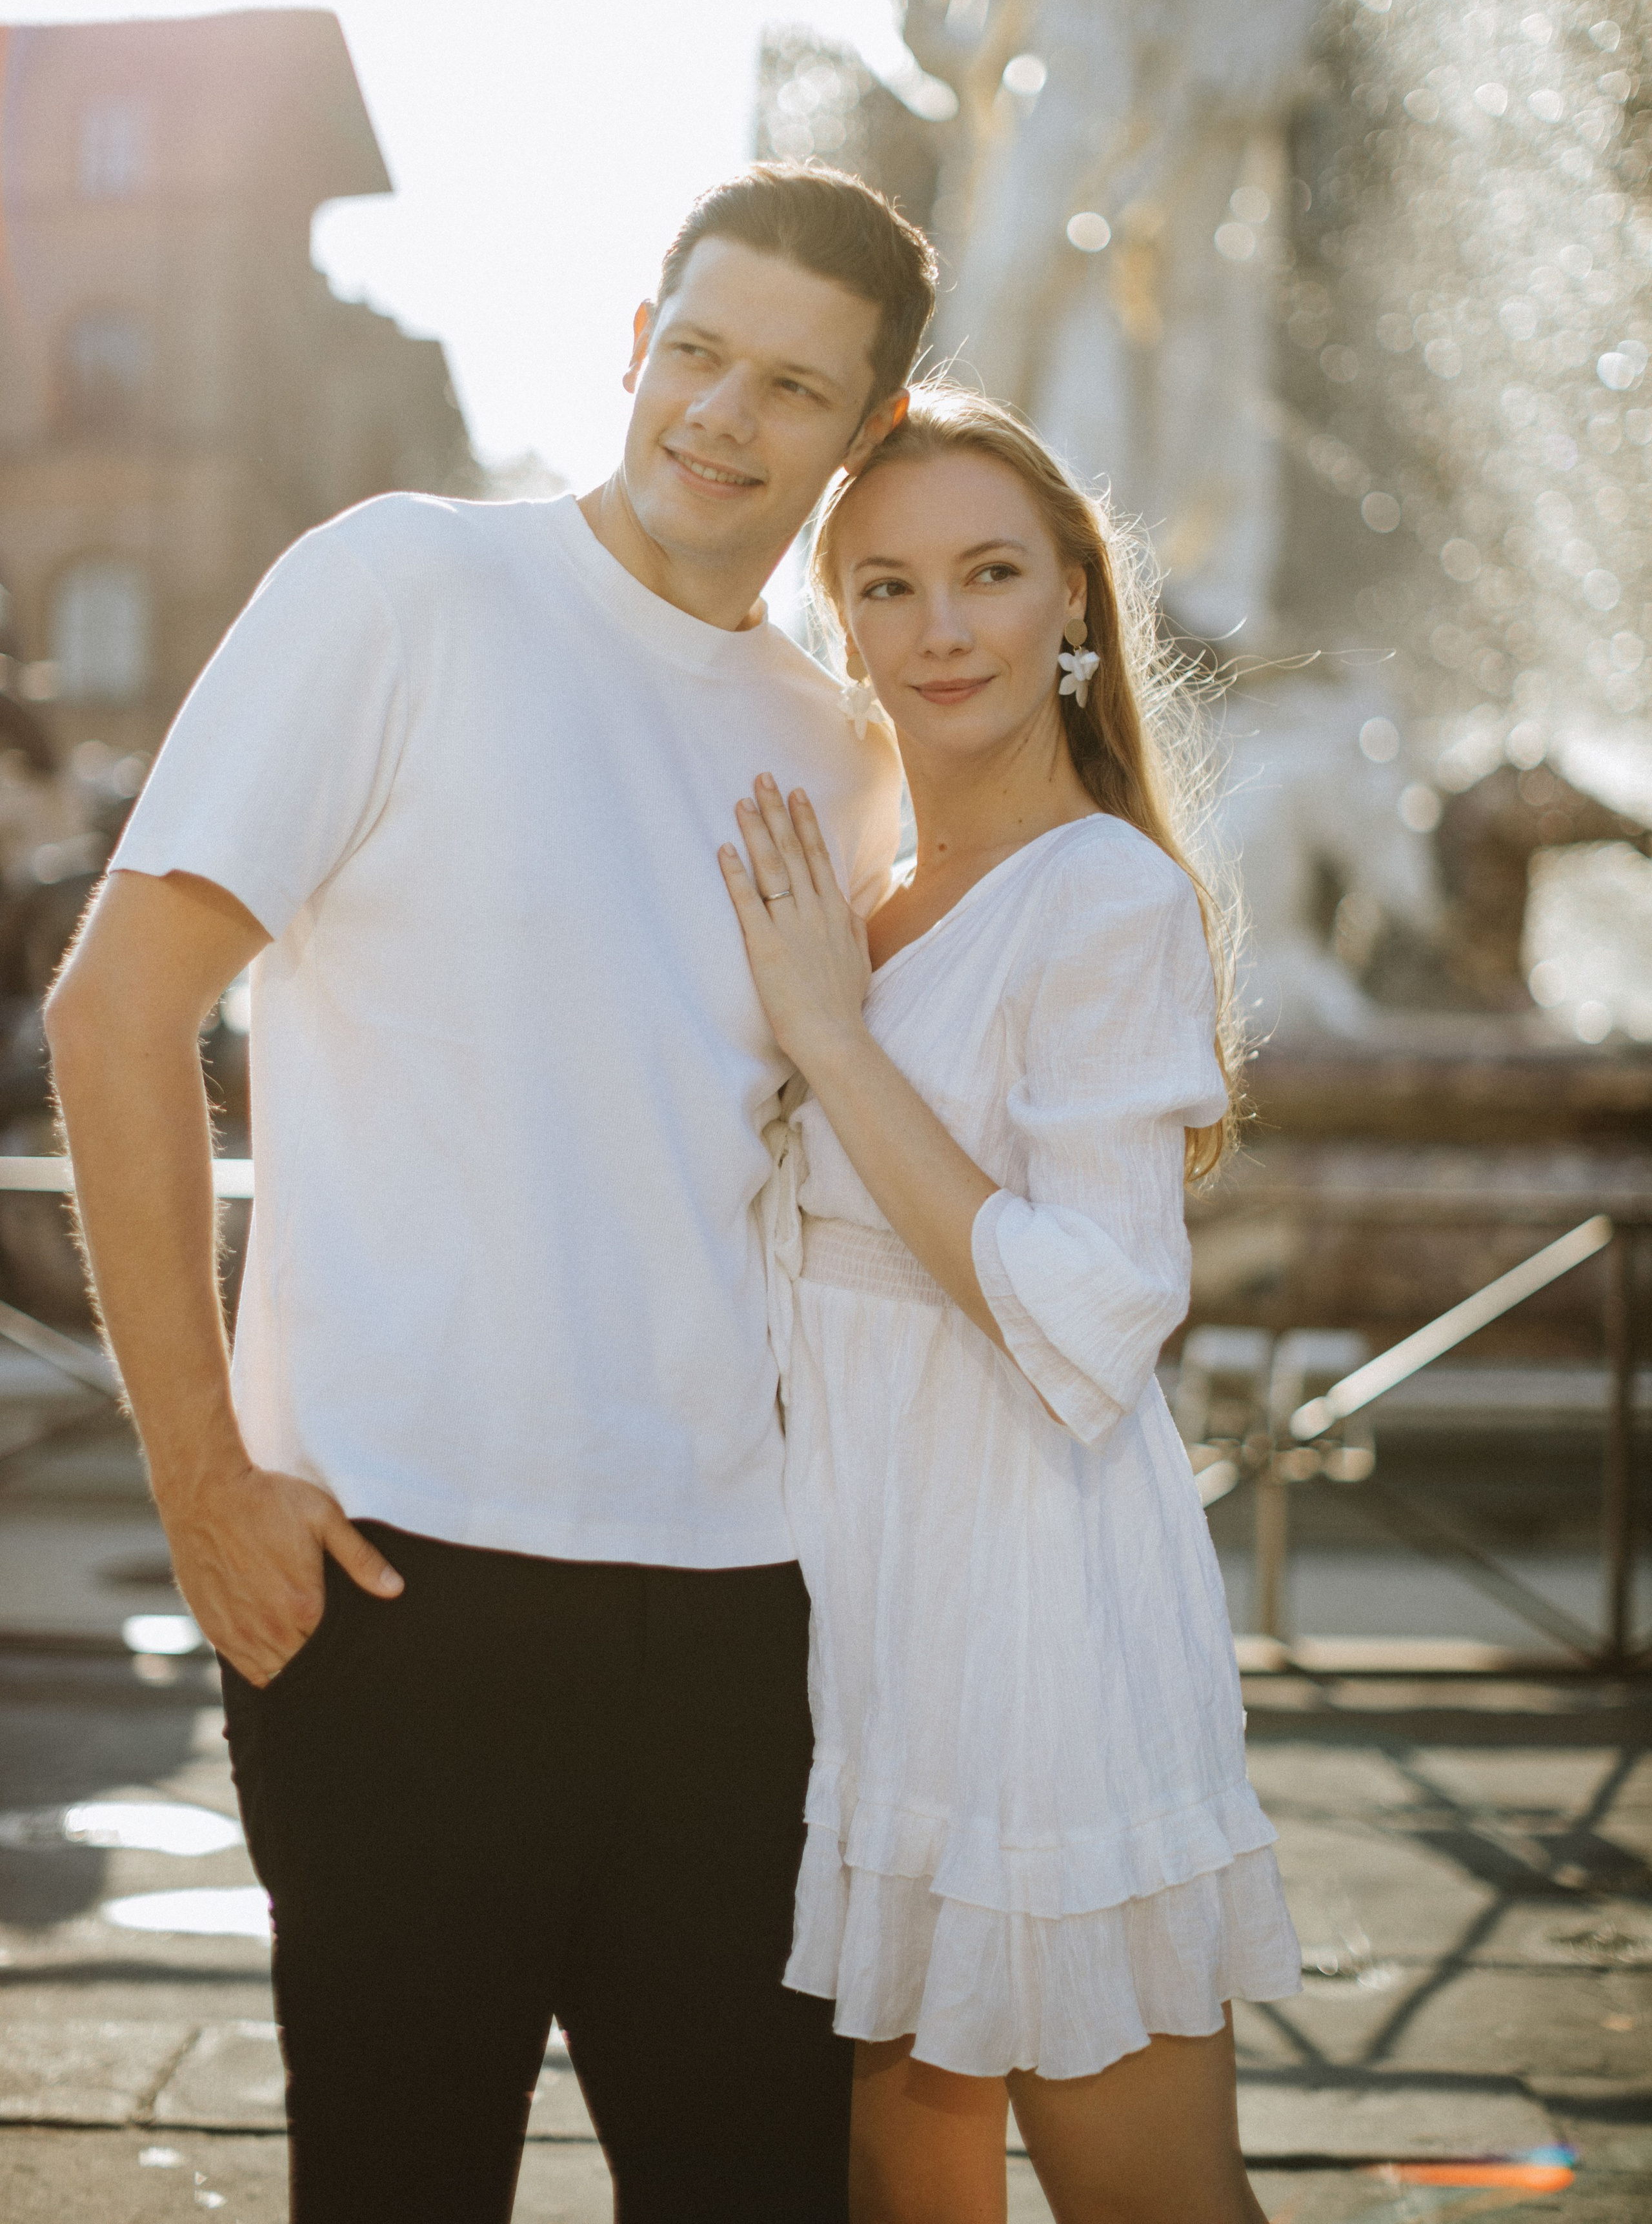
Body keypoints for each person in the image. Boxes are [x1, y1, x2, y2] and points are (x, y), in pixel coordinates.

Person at [45, 165, 936, 2224]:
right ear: (635, 343)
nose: (722, 414)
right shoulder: (402, 591)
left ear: (864, 437)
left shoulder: (843, 743)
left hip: (747, 1612)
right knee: (402, 2187)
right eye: (697, 350)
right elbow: (120, 1018)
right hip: (397, 1587)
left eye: (792, 388)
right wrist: (200, 1475)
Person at [717, 387, 1301, 2224]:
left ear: (1075, 604)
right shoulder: (862, 893)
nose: (941, 628)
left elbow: (1100, 1308)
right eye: (886, 587)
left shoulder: (1105, 899)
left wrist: (826, 1038)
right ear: (843, 625)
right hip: (855, 1611)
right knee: (906, 2178)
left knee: (1148, 2204)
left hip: (1033, 1615)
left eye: (987, 574)